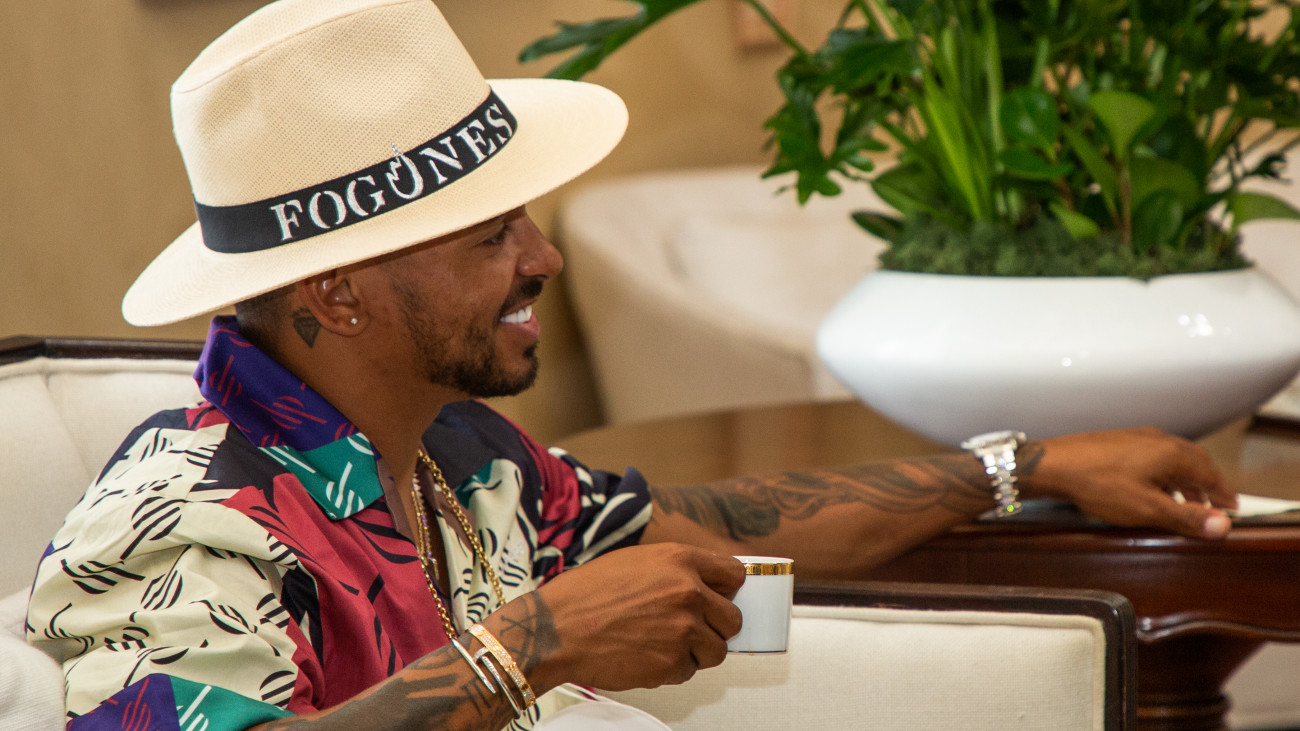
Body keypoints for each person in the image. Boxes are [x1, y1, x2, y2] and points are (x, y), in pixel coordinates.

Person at [25, 0, 1236, 729]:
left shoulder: (462, 452)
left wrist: (1025, 465)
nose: (544, 256)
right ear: (337, 290)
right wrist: (525, 650)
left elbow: (710, 521)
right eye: (490, 235)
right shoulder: (183, 522)